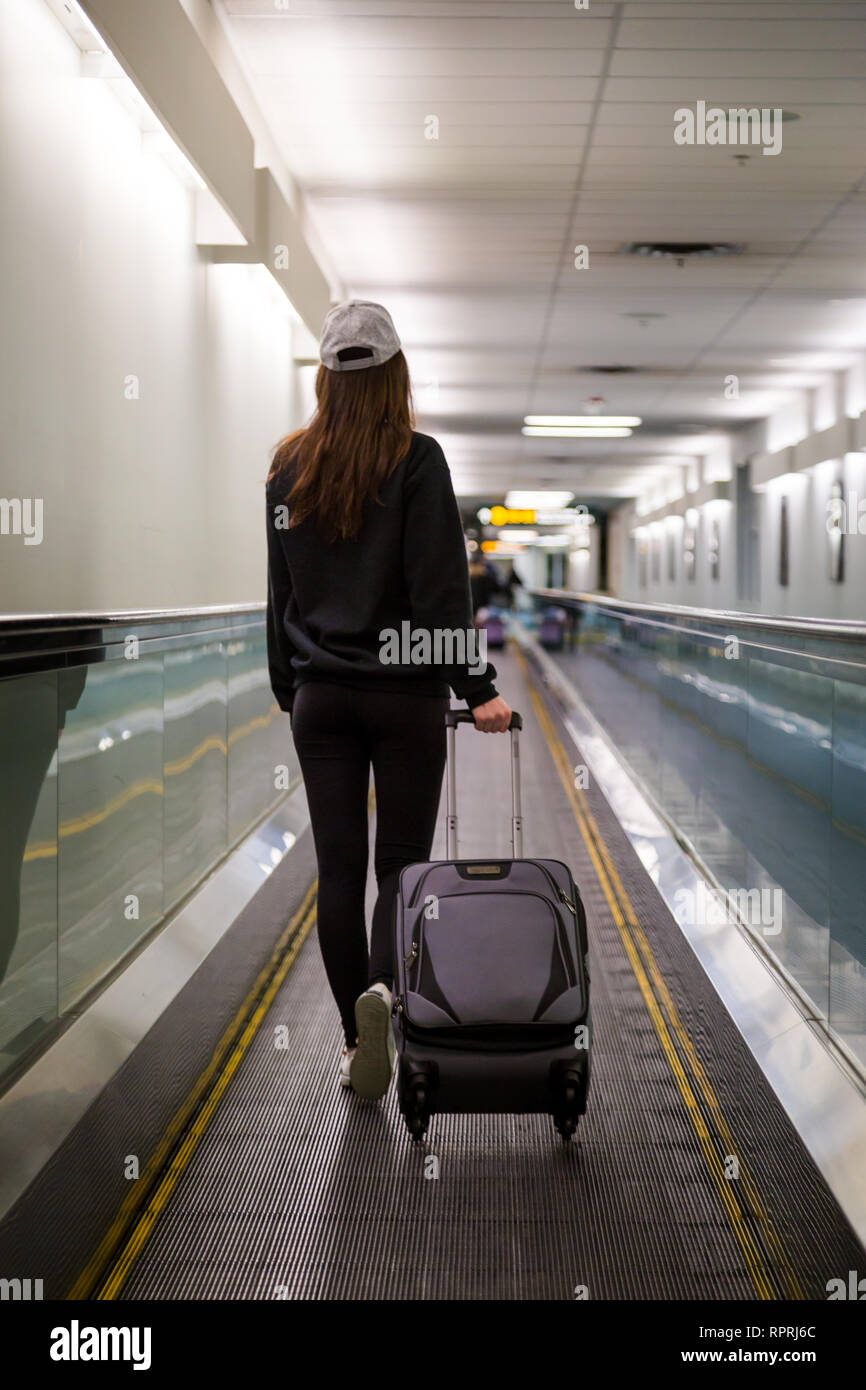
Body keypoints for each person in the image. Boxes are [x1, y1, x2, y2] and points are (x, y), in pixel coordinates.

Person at [265, 301, 512, 1101]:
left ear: (325, 379)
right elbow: (442, 591)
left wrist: (290, 684)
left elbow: (280, 596)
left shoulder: (287, 468)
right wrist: (478, 692)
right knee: (400, 864)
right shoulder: (418, 460)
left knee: (336, 869)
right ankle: (383, 993)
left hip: (322, 698)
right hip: (405, 697)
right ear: (395, 374)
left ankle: (351, 1040)